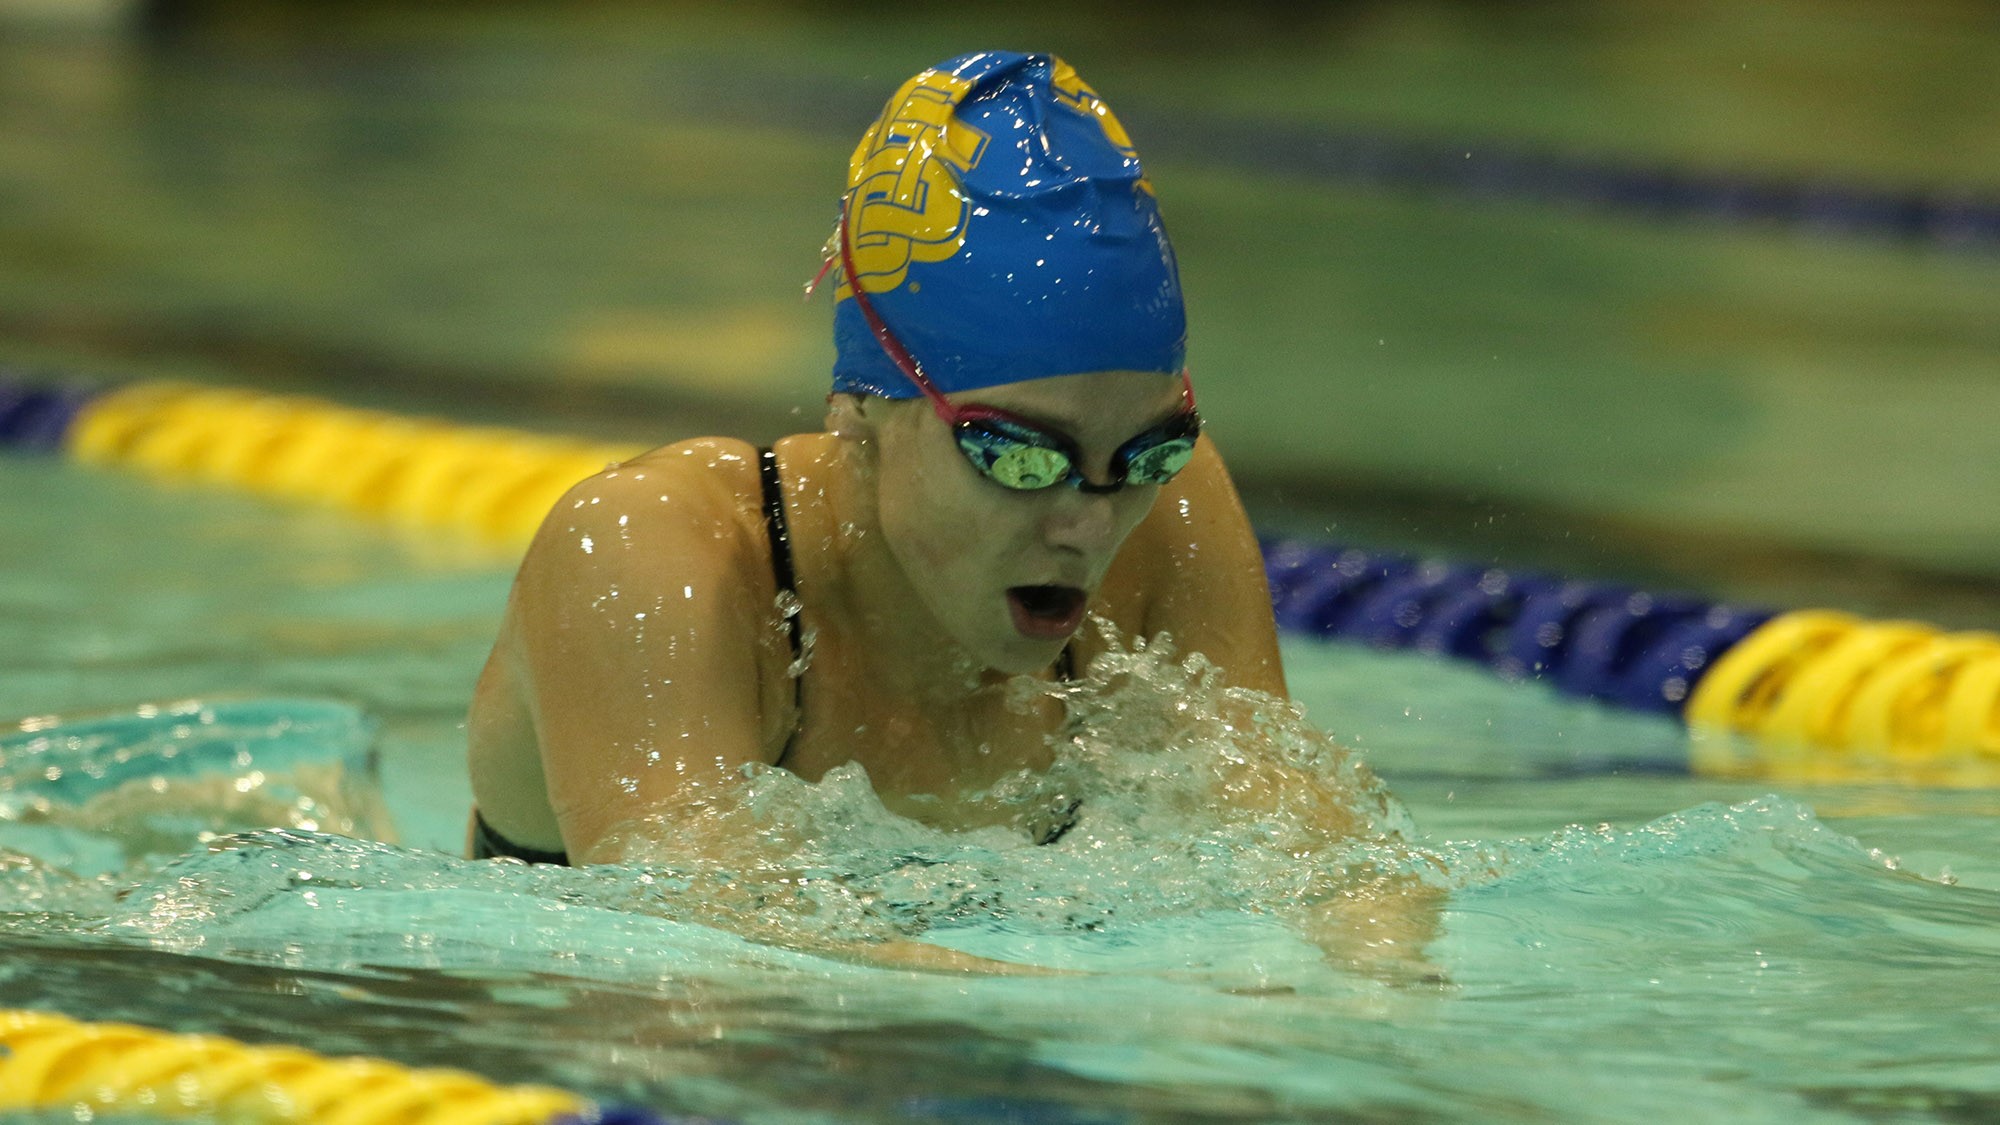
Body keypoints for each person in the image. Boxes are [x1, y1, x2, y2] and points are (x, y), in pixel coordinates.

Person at [465, 51, 1287, 871]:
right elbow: (705, 957)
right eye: (1020, 457)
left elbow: (1312, 844)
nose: (1092, 521)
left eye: (1150, 449)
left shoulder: (1169, 507)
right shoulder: (648, 557)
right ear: (859, 413)